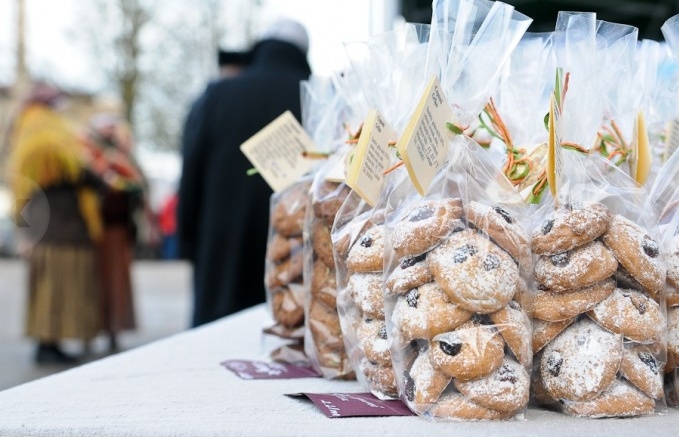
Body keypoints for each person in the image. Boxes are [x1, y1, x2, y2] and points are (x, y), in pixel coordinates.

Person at [178, 18, 312, 327]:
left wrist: (186, 239)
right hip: (292, 251)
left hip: (219, 244)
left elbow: (191, 168)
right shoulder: (317, 96)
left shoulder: (217, 95)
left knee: (214, 342)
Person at [6, 82, 104, 364]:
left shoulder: (28, 132)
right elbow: (70, 169)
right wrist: (96, 180)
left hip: (47, 226)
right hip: (59, 228)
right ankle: (48, 346)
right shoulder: (46, 135)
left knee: (51, 289)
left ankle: (50, 344)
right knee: (56, 288)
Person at [80, 113, 146, 352]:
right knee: (90, 284)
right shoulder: (86, 152)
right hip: (91, 230)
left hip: (117, 229)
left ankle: (114, 332)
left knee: (116, 283)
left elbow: (139, 185)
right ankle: (86, 335)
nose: (110, 132)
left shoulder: (124, 155)